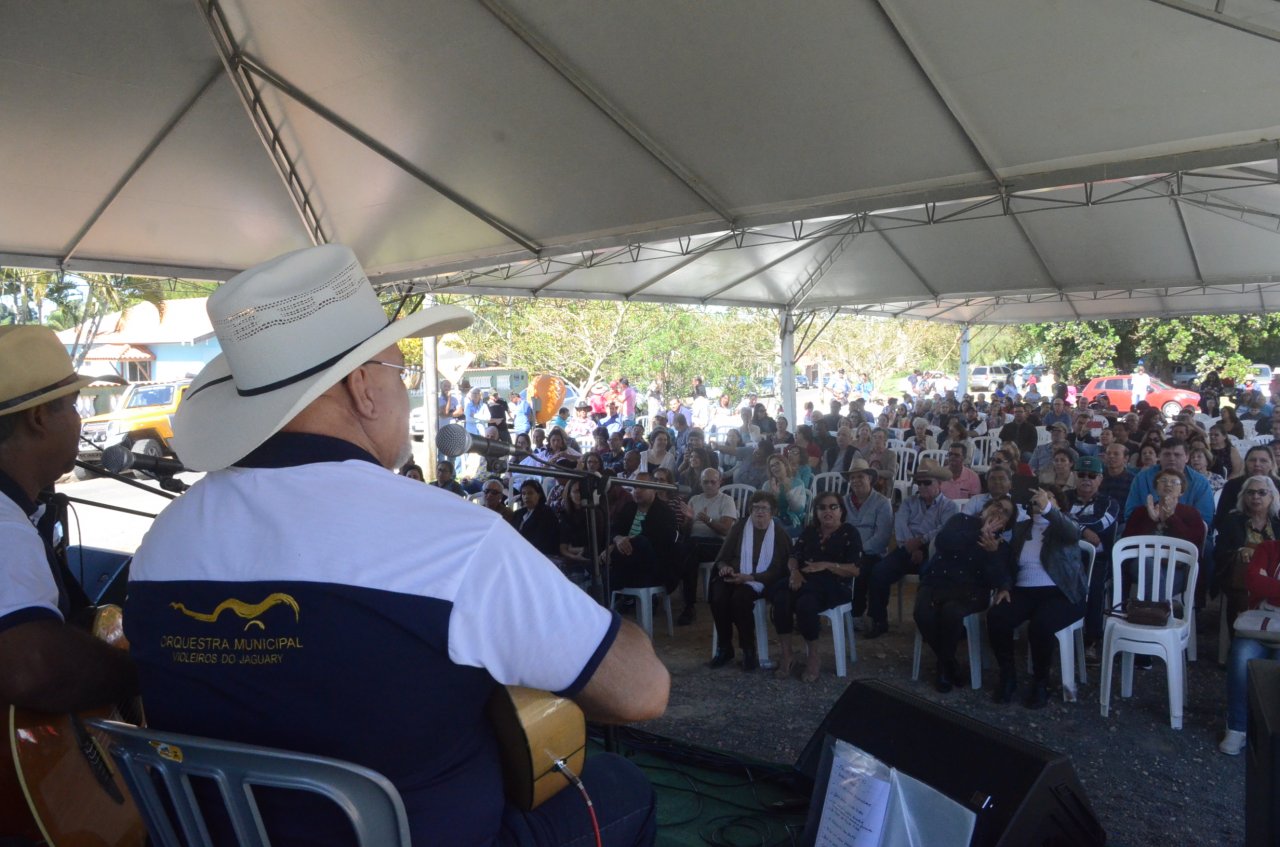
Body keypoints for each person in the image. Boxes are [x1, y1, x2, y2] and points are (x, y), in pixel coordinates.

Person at [123, 245, 666, 847]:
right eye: (399, 373)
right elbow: (640, 692)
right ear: (363, 389)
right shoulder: (450, 538)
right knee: (621, 788)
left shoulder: (162, 543)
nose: (405, 396)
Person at [0, 326, 139, 717]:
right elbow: (32, 667)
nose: (79, 422)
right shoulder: (6, 525)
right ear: (39, 417)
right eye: (74, 405)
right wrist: (142, 674)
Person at [988, 486, 1086, 708]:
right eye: (1036, 500)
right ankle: (1008, 676)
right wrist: (1004, 585)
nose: (1040, 502)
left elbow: (1072, 533)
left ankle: (1041, 682)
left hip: (1061, 591)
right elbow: (1008, 561)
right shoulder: (1022, 528)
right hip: (1024, 590)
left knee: (1041, 626)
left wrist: (1049, 508)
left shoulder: (1067, 523)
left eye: (1048, 498)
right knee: (997, 617)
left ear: (1058, 505)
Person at [915, 499, 1014, 692]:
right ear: (985, 509)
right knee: (922, 614)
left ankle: (943, 669)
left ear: (1007, 523)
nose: (999, 512)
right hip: (938, 583)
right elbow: (943, 542)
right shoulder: (960, 520)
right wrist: (978, 533)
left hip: (971, 592)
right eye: (996, 506)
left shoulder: (1001, 546)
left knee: (951, 612)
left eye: (1006, 512)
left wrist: (992, 554)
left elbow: (1000, 579)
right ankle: (950, 663)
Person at [771, 491, 862, 683]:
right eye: (822, 507)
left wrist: (827, 565)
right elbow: (794, 556)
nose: (827, 511)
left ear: (841, 510)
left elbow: (854, 570)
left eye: (833, 507)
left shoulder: (850, 533)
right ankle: (787, 654)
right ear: (816, 511)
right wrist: (794, 572)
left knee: (806, 603)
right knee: (781, 598)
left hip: (835, 585)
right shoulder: (810, 531)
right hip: (804, 579)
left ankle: (813, 655)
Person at [863, 462, 958, 638]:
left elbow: (944, 530)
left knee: (929, 577)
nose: (921, 486)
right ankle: (879, 620)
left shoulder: (949, 506)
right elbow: (900, 524)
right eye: (919, 483)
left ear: (939, 483)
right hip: (906, 546)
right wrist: (910, 545)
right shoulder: (909, 502)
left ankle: (928, 622)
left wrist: (922, 540)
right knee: (878, 572)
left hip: (933, 550)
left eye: (927, 482)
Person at [708, 492, 790, 671]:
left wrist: (750, 577)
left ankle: (748, 649)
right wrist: (725, 567)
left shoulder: (779, 534)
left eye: (764, 508)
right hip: (734, 573)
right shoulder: (740, 527)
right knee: (718, 596)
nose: (759, 512)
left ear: (773, 512)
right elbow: (722, 557)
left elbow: (777, 571)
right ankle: (724, 647)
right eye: (755, 508)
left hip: (760, 580)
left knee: (740, 599)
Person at [1220, 538, 1280, 755]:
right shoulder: (1268, 548)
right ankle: (1237, 727)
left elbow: (1262, 584)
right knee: (1241, 656)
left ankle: (1270, 733)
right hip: (1260, 623)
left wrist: (1270, 586)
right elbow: (1253, 581)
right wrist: (1263, 584)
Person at [1064, 455, 1120, 658]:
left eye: (1092, 475)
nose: (1086, 479)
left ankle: (1092, 639)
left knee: (1093, 588)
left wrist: (1071, 523)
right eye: (1081, 474)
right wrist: (1083, 530)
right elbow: (1053, 519)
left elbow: (1100, 525)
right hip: (1065, 557)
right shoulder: (1064, 497)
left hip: (1097, 559)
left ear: (1100, 479)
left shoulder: (1109, 503)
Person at [1215, 476, 1280, 626]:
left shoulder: (1277, 522)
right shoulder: (1232, 521)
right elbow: (1219, 552)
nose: (1255, 496)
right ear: (1243, 497)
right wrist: (1239, 551)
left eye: (1262, 492)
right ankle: (1241, 631)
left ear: (1272, 496)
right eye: (1250, 492)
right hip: (1241, 579)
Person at [677, 467, 739, 625]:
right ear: (700, 483)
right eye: (706, 482)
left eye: (713, 482)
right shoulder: (695, 500)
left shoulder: (726, 500)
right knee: (686, 548)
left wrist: (708, 520)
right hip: (694, 545)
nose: (710, 485)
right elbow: (685, 531)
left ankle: (688, 604)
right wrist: (690, 519)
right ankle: (688, 604)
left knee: (688, 549)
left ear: (720, 482)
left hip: (717, 545)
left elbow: (726, 530)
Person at [608, 471, 679, 592]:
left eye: (642, 487)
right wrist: (617, 539)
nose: (637, 491)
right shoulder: (629, 507)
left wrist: (616, 547)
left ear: (655, 489)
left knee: (641, 542)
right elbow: (614, 530)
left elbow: (658, 542)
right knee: (593, 547)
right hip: (625, 561)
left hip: (652, 565)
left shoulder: (665, 512)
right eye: (635, 487)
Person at [762, 453, 808, 536]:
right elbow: (764, 508)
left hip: (791, 521)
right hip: (772, 519)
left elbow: (798, 510)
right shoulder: (767, 485)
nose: (775, 467)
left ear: (785, 465)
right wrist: (774, 496)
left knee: (775, 529)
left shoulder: (798, 483)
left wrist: (788, 492)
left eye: (778, 463)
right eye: (772, 466)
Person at [512, 479, 560, 558]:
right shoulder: (519, 513)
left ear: (539, 494)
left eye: (530, 493)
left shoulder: (547, 513)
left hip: (540, 555)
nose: (526, 496)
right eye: (523, 494)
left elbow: (543, 541)